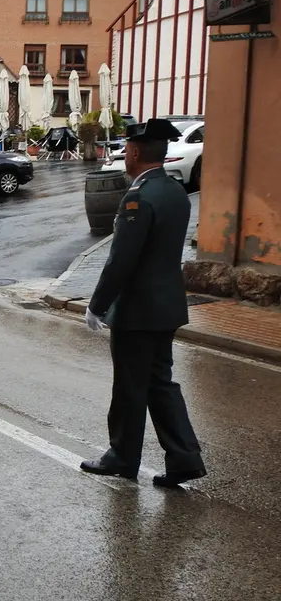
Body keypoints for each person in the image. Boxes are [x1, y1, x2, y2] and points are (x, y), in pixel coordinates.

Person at [81, 118, 207, 488]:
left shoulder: (138, 196)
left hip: (138, 310)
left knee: (130, 386)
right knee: (159, 383)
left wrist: (97, 304)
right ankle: (184, 458)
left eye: (127, 152)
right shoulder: (174, 192)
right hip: (167, 306)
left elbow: (122, 258)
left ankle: (122, 457)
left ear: (134, 153)